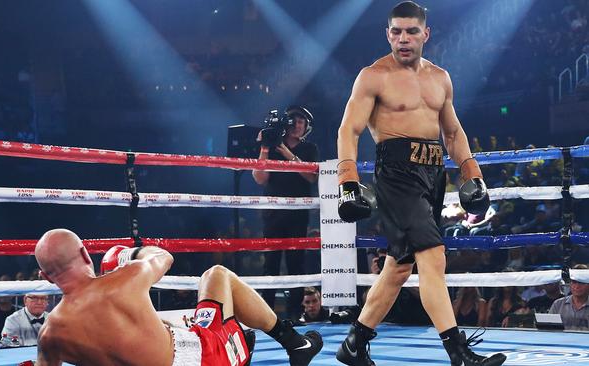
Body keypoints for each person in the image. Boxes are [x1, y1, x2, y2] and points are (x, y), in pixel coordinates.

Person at [334, 2, 506, 365]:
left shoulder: (440, 77)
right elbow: (348, 129)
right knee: (433, 258)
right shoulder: (373, 76)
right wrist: (348, 179)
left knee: (399, 265)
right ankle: (458, 353)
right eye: (396, 31)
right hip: (396, 174)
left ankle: (354, 343)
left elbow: (452, 130)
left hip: (433, 174)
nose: (403, 38)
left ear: (425, 33)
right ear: (387, 34)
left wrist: (471, 172)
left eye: (411, 31)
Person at [31, 229, 322, 366]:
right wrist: (127, 254)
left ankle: (237, 338)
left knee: (196, 321)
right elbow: (163, 257)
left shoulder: (50, 335)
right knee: (217, 275)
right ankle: (296, 344)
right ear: (84, 253)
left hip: (190, 343)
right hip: (204, 358)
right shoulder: (123, 280)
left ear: (45, 277)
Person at [252, 105, 319, 318]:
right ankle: (266, 314)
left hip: (298, 213)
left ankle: (295, 313)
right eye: (294, 121)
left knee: (295, 263)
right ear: (287, 123)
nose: (297, 125)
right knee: (270, 264)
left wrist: (285, 152)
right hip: (273, 212)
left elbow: (311, 177)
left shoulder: (309, 149)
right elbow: (260, 179)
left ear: (306, 126)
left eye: (302, 122)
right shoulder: (271, 147)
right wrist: (265, 147)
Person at [548, 264, 589, 331]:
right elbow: (548, 329)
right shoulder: (558, 304)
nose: (577, 287)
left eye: (582, 283)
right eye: (574, 282)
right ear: (570, 284)